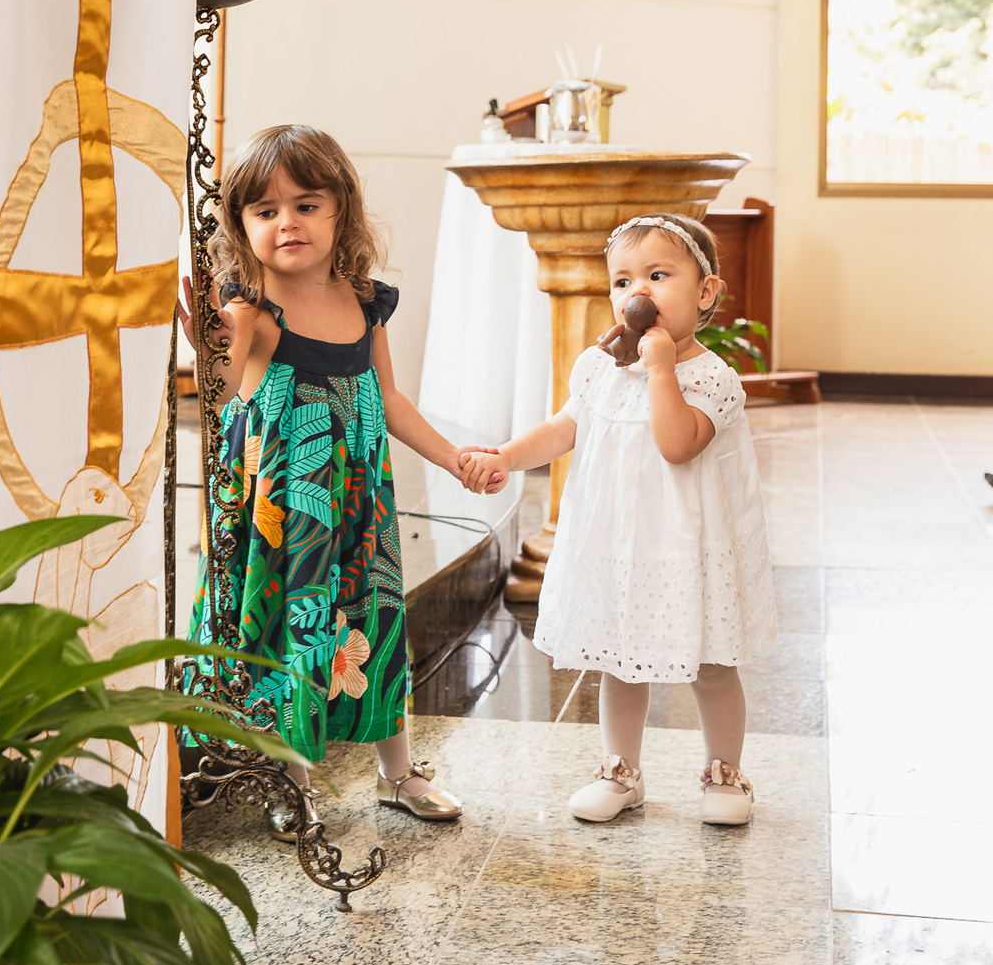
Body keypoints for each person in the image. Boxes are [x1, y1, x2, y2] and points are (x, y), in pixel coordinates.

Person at [178, 124, 464, 835]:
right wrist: (209, 348)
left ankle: (398, 772)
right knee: (294, 630)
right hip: (283, 510)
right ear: (241, 225)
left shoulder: (364, 299)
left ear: (342, 210)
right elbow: (217, 388)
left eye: (306, 204)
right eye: (266, 210)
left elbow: (390, 398)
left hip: (360, 498)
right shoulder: (251, 306)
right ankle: (292, 780)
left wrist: (453, 457)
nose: (288, 223)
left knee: (376, 619)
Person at [460, 214, 777, 827]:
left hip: (686, 547)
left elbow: (678, 443)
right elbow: (564, 429)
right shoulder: (599, 367)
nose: (638, 293)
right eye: (623, 280)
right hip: (618, 544)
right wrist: (505, 456)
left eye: (658, 275)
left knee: (712, 665)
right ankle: (620, 769)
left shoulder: (713, 378)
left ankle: (725, 772)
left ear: (705, 292)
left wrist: (661, 368)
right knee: (618, 658)